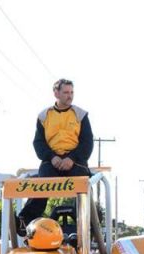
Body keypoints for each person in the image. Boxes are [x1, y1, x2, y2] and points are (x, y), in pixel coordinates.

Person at [17, 78, 94, 232]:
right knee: (42, 184)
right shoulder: (44, 116)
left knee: (83, 187)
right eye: (66, 92)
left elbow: (87, 142)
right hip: (51, 160)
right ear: (56, 93)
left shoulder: (80, 115)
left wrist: (71, 158)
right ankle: (25, 221)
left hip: (75, 160)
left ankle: (88, 224)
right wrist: (52, 157)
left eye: (71, 92)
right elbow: (38, 143)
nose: (70, 96)